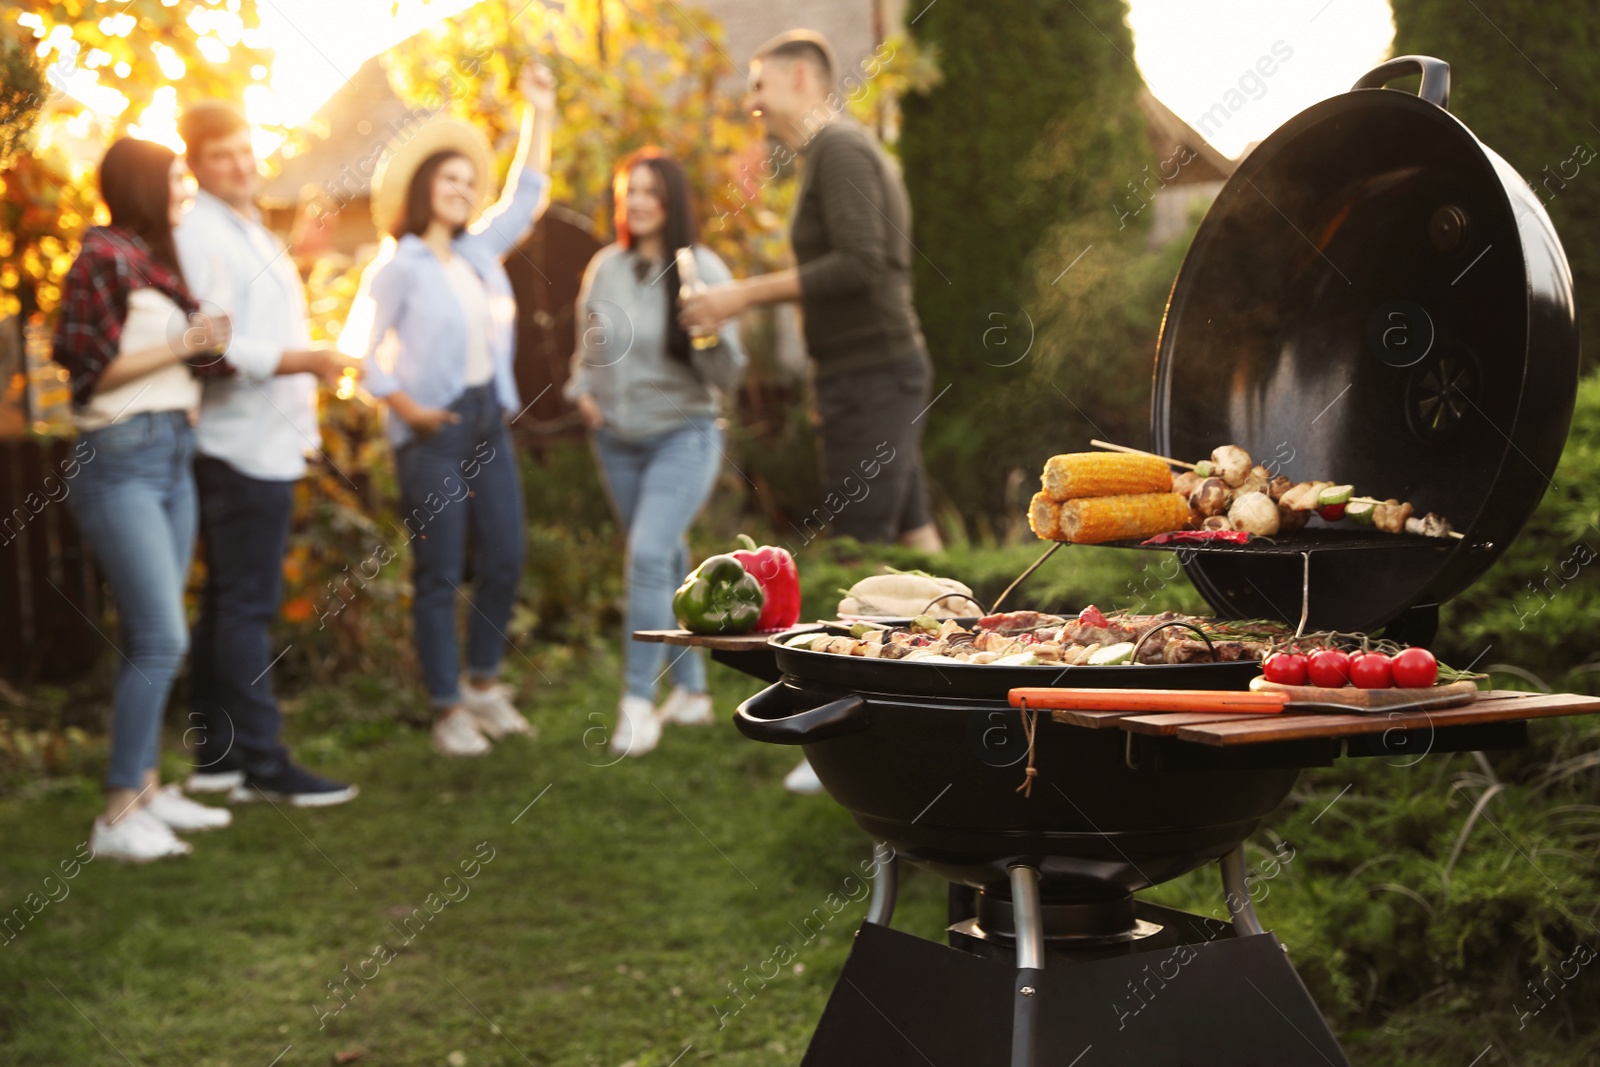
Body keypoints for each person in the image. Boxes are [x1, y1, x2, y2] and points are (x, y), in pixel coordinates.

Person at [681, 29, 942, 793]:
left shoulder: (842, 152)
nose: (752, 102)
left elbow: (861, 264)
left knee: (858, 552)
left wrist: (741, 294)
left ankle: (842, 733)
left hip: (872, 377)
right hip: (869, 376)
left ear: (801, 78)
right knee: (921, 542)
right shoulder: (836, 156)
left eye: (760, 84)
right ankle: (952, 711)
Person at [348, 64, 557, 756]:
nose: (465, 189)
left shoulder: (477, 253)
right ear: (423, 189)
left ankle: (484, 685)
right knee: (439, 573)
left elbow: (526, 195)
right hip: (430, 432)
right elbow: (363, 354)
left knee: (505, 552)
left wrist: (540, 110)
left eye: (471, 182)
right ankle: (446, 710)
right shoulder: (398, 266)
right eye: (451, 179)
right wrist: (410, 407)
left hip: (486, 422)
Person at [53, 138, 236, 860]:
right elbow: (87, 369)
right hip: (119, 460)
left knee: (147, 634)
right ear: (140, 184)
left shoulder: (154, 262)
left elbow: (193, 357)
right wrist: (182, 345)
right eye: (174, 175)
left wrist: (198, 359)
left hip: (170, 455)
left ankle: (149, 790)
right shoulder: (101, 258)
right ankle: (117, 813)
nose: (184, 186)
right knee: (164, 636)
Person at [175, 101, 361, 806]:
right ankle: (262, 761)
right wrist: (303, 358)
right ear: (195, 162)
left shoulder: (242, 225)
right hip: (239, 445)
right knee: (245, 608)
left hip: (263, 442)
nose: (241, 164)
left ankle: (217, 760)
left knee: (226, 603)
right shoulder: (198, 231)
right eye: (223, 154)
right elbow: (211, 342)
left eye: (245, 149)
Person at [565, 148, 747, 758]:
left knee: (645, 554)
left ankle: (638, 701)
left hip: (684, 435)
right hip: (616, 440)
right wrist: (582, 393)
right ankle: (692, 694)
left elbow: (730, 372)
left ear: (671, 202)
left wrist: (708, 328)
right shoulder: (605, 268)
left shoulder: (703, 269)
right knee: (664, 556)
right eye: (628, 191)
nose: (636, 202)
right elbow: (586, 348)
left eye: (649, 191)